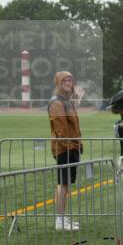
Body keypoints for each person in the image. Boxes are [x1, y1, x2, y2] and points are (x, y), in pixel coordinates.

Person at [48, 71, 83, 231]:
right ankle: (59, 220)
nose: (69, 83)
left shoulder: (66, 101)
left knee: (66, 183)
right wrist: (69, 146)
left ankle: (62, 217)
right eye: (65, 80)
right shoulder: (57, 102)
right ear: (58, 83)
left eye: (70, 80)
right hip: (64, 148)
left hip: (71, 146)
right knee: (63, 183)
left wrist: (76, 101)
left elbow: (72, 123)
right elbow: (60, 128)